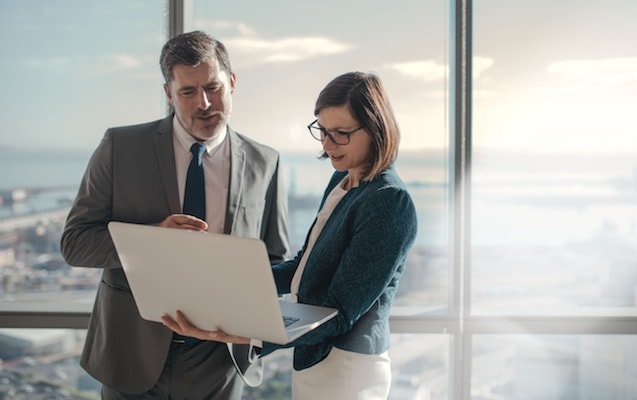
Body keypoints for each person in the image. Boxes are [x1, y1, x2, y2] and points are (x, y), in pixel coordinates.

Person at [61, 30, 290, 399]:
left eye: (213, 87)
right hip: (132, 353)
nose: (204, 103)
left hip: (220, 362)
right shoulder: (120, 147)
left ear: (232, 83)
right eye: (187, 92)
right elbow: (75, 244)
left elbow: (276, 260)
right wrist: (153, 240)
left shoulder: (266, 161)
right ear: (169, 93)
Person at [163, 71, 418, 399]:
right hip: (317, 362)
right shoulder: (343, 181)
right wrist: (223, 284)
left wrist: (243, 330)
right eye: (323, 131)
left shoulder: (389, 201)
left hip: (349, 370)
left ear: (376, 128)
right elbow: (303, 269)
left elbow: (339, 313)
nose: (327, 145)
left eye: (340, 134)